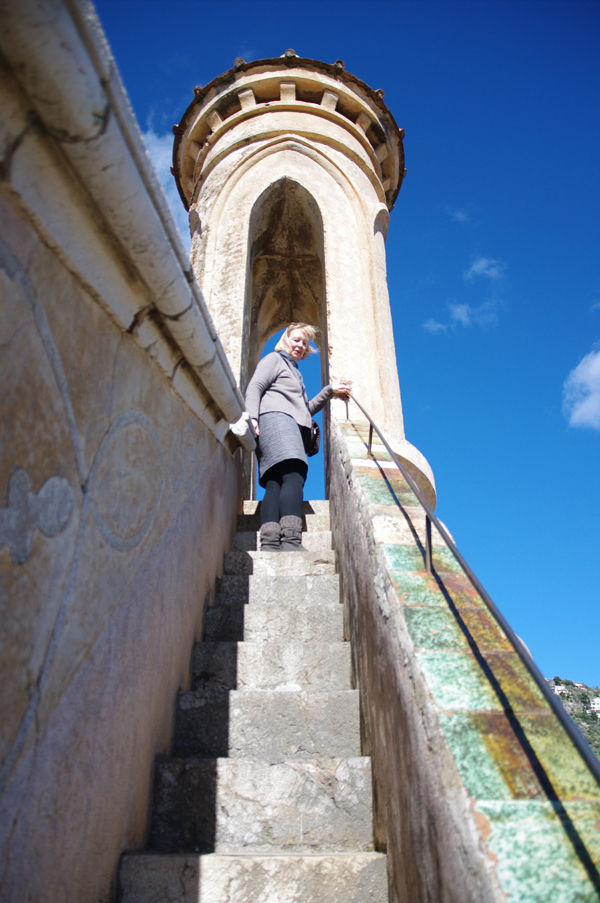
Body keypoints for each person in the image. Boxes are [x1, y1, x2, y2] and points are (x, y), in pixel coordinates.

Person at [245, 323, 351, 551]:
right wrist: (252, 417)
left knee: (275, 481)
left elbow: (304, 410)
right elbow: (255, 387)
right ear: (285, 340)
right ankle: (291, 540)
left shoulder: (294, 372)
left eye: (304, 343)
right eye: (296, 340)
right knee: (294, 473)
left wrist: (328, 391)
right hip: (275, 420)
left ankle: (270, 542)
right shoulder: (274, 359)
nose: (300, 345)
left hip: (283, 422)